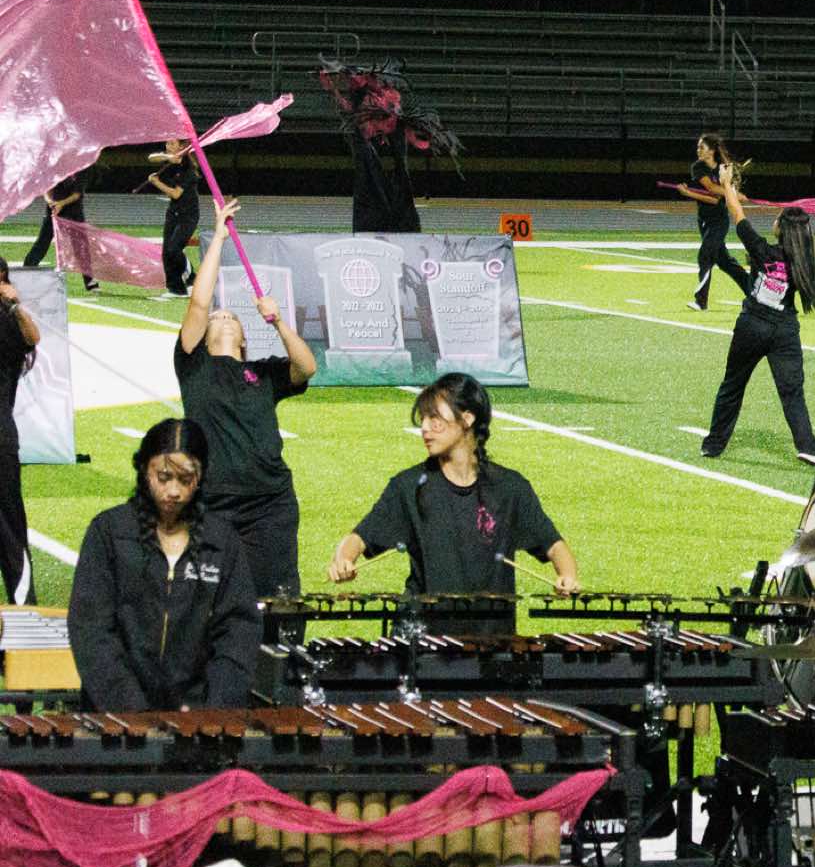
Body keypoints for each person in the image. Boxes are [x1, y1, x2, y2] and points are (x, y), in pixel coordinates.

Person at [329, 374, 579, 635]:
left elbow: (554, 545)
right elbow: (359, 538)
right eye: (423, 419)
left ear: (467, 419)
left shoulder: (509, 488)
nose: (425, 428)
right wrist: (344, 559)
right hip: (424, 638)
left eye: (434, 418)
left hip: (492, 639)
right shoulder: (409, 486)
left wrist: (567, 575)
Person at [175, 197, 318, 598]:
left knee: (275, 600)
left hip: (270, 501)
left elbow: (306, 367)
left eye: (231, 317)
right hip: (212, 501)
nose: (222, 316)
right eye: (217, 318)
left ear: (244, 339)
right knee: (210, 600)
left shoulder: (264, 372)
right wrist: (219, 238)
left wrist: (279, 322)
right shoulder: (194, 366)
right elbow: (199, 302)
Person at [68, 418, 259, 711]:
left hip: (196, 717)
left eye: (185, 480)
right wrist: (131, 710)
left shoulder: (222, 542)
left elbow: (238, 632)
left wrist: (214, 709)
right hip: (115, 716)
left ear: (201, 477)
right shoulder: (108, 533)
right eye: (164, 477)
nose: (173, 491)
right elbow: (92, 631)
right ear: (144, 470)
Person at [700, 161, 815, 460]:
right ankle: (808, 448)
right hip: (785, 330)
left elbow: (737, 213)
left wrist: (727, 183)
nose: (775, 219)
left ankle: (713, 445)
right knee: (792, 392)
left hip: (752, 325)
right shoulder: (805, 262)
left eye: (779, 218)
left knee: (733, 385)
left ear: (782, 229)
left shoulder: (761, 249)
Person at [0, 257, 43, 604]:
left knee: (10, 531)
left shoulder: (8, 321)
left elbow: (33, 338)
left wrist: (15, 306)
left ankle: (24, 608)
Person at [675, 132, 750, 311]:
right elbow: (711, 191)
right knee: (725, 262)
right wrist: (733, 193)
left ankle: (701, 301)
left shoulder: (725, 169)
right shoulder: (698, 167)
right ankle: (755, 292)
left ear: (712, 150)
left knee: (705, 255)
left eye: (702, 147)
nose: (698, 150)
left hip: (719, 220)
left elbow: (718, 200)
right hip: (704, 220)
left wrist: (733, 193)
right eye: (698, 147)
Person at [23, 176, 98, 292]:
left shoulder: (81, 172)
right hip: (53, 212)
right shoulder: (56, 170)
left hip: (74, 213)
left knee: (81, 248)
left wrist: (60, 204)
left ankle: (90, 282)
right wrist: (50, 202)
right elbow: (47, 189)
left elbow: (76, 195)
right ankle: (26, 273)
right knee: (42, 243)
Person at [146, 137, 201, 296]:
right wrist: (167, 157)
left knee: (174, 249)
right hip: (173, 212)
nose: (168, 146)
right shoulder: (169, 161)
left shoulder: (189, 170)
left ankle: (192, 279)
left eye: (172, 144)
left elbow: (176, 194)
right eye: (167, 143)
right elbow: (151, 158)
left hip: (188, 215)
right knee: (166, 253)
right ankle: (175, 289)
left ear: (181, 147)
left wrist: (156, 182)